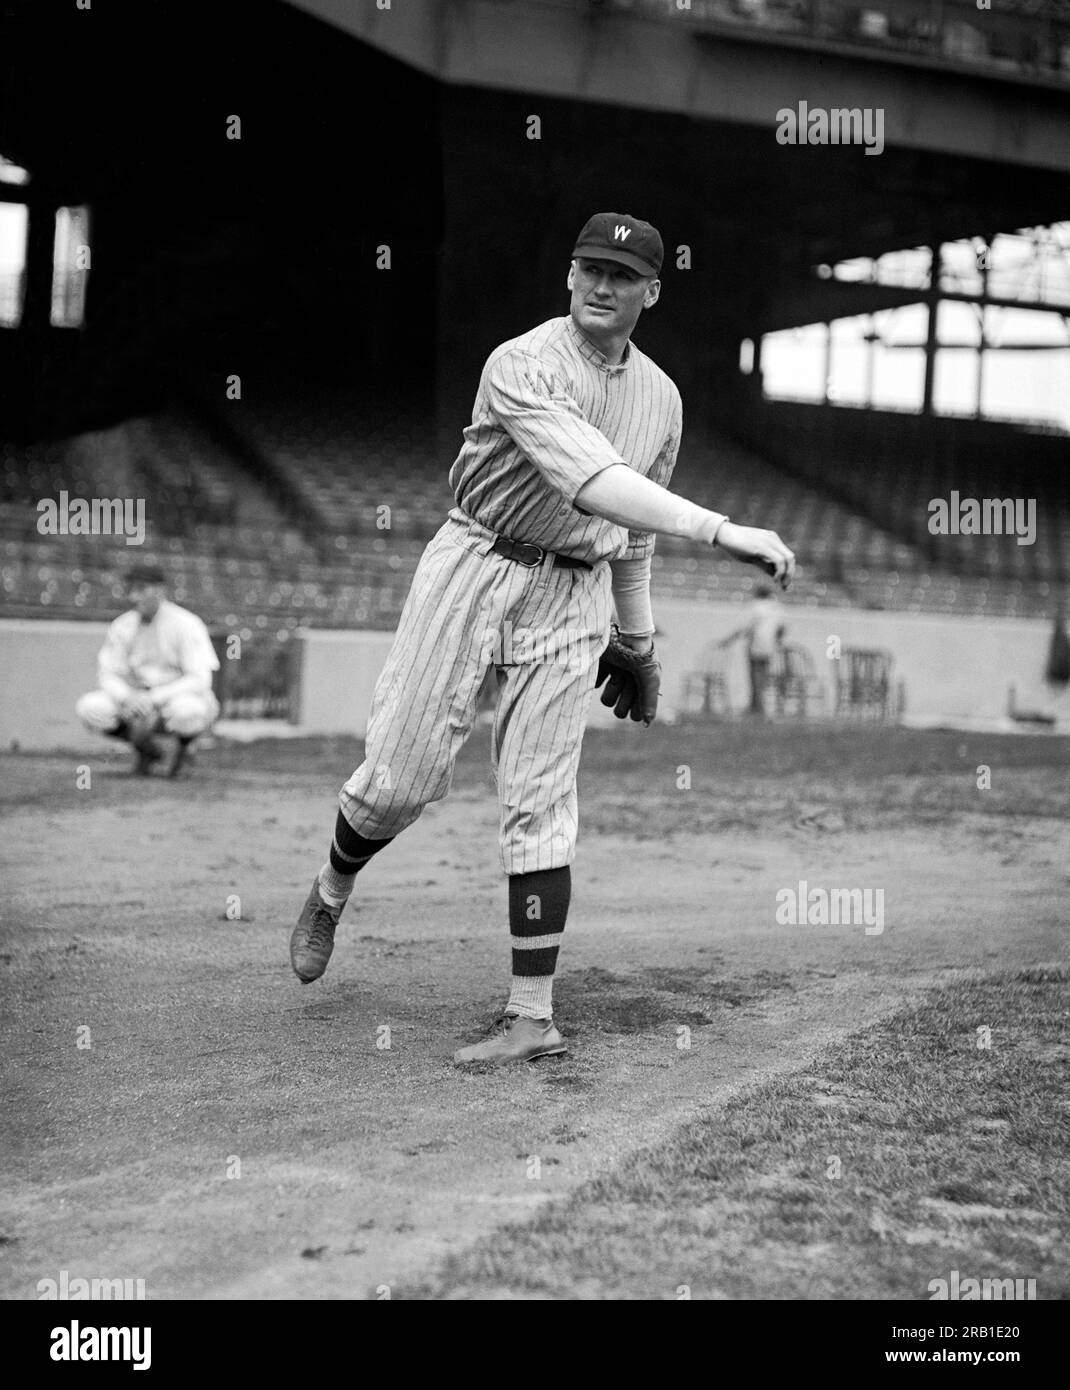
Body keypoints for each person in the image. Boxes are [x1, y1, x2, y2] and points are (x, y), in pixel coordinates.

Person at [289, 211, 795, 1065]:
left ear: (652, 292)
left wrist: (637, 639)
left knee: (542, 801)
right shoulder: (521, 361)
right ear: (568, 274)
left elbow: (629, 539)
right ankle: (333, 887)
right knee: (398, 781)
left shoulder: (662, 398)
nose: (603, 285)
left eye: (624, 276)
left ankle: (533, 1014)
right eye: (590, 268)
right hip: (475, 560)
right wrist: (720, 530)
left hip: (574, 593)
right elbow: (593, 482)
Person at [75, 563, 220, 776]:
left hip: (174, 698)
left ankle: (182, 749)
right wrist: (128, 697)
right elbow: (107, 674)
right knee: (90, 708)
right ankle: (149, 750)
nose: (134, 596)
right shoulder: (122, 625)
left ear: (160, 590)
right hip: (137, 700)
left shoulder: (186, 623)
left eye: (141, 589)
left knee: (188, 711)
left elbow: (200, 679)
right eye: (131, 590)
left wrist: (154, 698)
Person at [718, 582, 787, 716]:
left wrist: (728, 640)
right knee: (764, 675)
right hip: (770, 645)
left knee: (755, 675)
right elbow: (782, 628)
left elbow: (745, 627)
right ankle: (757, 705)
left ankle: (757, 706)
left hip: (756, 643)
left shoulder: (756, 607)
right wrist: (776, 640)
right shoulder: (777, 608)